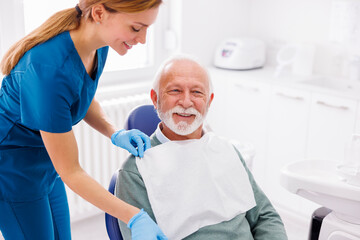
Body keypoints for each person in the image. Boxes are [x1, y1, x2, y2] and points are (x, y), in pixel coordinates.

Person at [0, 1, 168, 239]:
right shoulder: (47, 68)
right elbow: (71, 171)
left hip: (46, 162)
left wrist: (114, 132)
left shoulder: (99, 45)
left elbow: (81, 94)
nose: (142, 39)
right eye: (136, 28)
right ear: (99, 13)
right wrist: (134, 216)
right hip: (12, 171)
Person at [115, 55, 288, 240]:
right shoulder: (137, 172)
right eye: (175, 90)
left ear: (209, 101)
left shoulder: (226, 151)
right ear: (155, 99)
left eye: (197, 92)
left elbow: (265, 216)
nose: (186, 102)